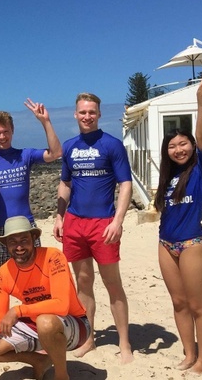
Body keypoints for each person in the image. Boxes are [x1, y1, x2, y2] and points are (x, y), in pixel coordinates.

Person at [52, 92, 134, 363]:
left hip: (103, 222)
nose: (87, 116)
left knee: (113, 284)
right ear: (75, 115)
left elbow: (125, 184)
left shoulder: (112, 145)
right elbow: (65, 183)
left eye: (92, 112)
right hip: (75, 222)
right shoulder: (70, 146)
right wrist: (58, 215)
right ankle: (89, 338)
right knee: (83, 283)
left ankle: (124, 342)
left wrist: (118, 220)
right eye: (82, 112)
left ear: (99, 114)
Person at [0, 216, 89, 380]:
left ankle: (61, 375)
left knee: (46, 322)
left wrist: (18, 310)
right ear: (6, 245)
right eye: (13, 242)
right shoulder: (3, 273)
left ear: (34, 239)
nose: (19, 246)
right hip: (35, 324)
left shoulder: (53, 257)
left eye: (24, 240)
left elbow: (62, 305)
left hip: (74, 323)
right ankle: (39, 361)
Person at [153, 71, 202, 375]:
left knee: (197, 305)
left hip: (192, 243)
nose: (178, 149)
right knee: (179, 303)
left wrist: (201, 102)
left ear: (191, 146)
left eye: (183, 144)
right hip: (166, 244)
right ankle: (189, 354)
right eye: (172, 146)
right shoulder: (168, 177)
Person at [0, 99, 62, 275]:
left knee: (34, 276)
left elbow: (56, 153)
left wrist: (45, 122)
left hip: (26, 225)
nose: (2, 137)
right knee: (1, 279)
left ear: (12, 131)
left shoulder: (25, 155)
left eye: (5, 132)